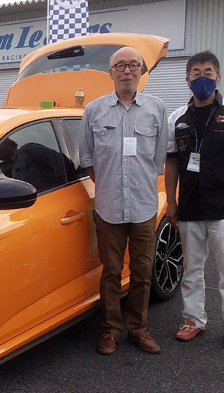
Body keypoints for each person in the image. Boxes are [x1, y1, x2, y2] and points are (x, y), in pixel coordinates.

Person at [164, 51, 224, 350]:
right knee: (191, 270)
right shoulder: (177, 118)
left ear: (218, 78)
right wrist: (171, 203)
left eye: (208, 72)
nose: (202, 78)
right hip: (190, 206)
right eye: (196, 73)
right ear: (187, 80)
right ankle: (193, 319)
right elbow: (171, 163)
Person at [79, 46, 167, 355]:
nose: (127, 70)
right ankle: (111, 329)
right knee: (111, 272)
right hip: (108, 208)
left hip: (144, 206)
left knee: (142, 272)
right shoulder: (94, 110)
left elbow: (158, 160)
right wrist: (108, 185)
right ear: (111, 72)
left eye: (133, 65)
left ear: (142, 71)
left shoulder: (156, 108)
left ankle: (138, 329)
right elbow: (87, 158)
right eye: (120, 65)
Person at [0, 138, 73, 192]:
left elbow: (58, 160)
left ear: (8, 145)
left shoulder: (27, 150)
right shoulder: (12, 169)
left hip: (57, 194)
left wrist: (63, 185)